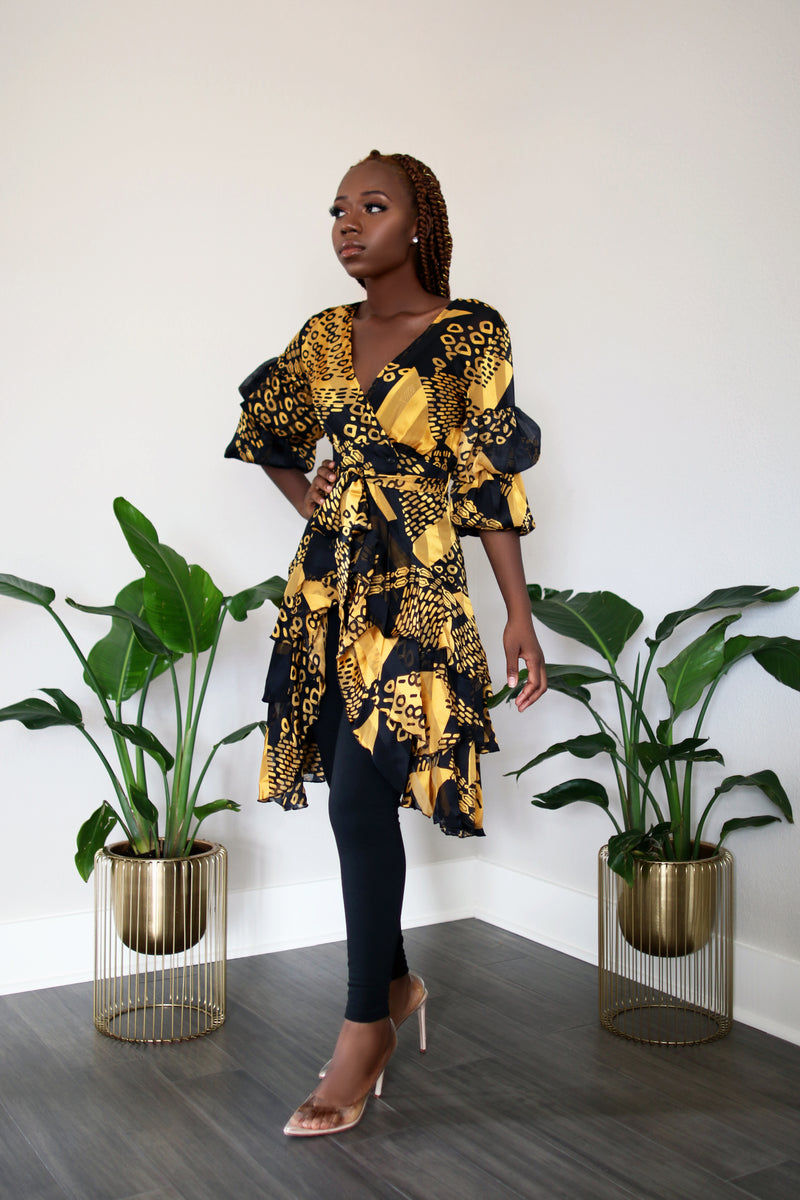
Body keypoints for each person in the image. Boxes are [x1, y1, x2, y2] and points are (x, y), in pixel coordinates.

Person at [225, 150, 547, 1137]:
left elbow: (487, 478)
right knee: (352, 795)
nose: (347, 224)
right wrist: (306, 492)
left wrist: (518, 612)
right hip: (327, 586)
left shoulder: (468, 333)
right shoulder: (324, 337)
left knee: (360, 792)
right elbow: (267, 426)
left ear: (419, 223)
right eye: (337, 209)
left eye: (372, 205)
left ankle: (364, 1028)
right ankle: (396, 985)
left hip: (416, 585)